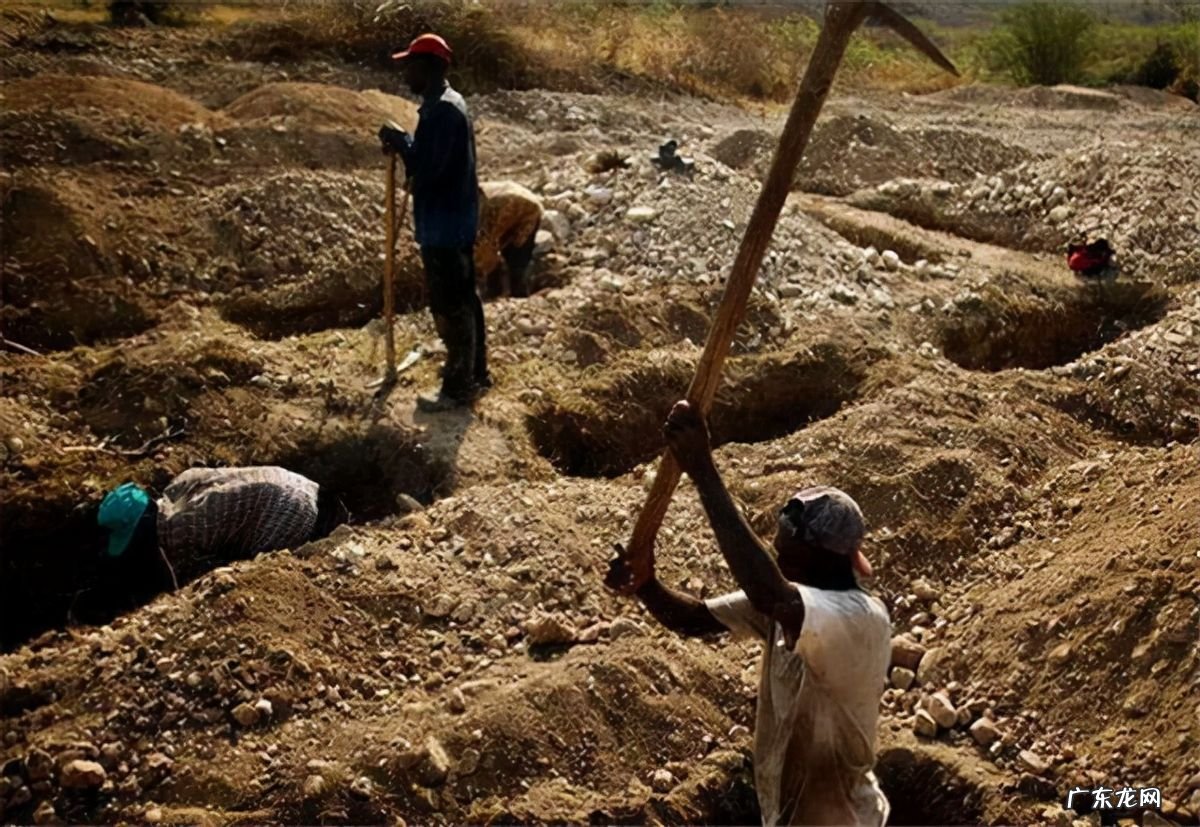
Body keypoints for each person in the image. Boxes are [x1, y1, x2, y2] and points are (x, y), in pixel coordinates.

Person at [606, 401, 892, 827]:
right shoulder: (792, 603)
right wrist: (646, 585)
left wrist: (703, 470)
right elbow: (693, 620)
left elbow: (768, 591)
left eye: (787, 558)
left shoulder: (857, 619)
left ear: (823, 558)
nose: (779, 562)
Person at [378, 33, 487, 412]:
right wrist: (406, 145)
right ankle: (475, 373)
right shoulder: (448, 104)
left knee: (450, 304)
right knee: (465, 298)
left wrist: (401, 142)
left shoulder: (442, 112)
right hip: (455, 219)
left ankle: (458, 388)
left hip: (444, 224)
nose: (405, 73)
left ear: (427, 67)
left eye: (410, 65)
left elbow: (427, 171)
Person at [97, 466, 346, 596]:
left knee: (257, 573)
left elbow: (196, 583)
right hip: (295, 482)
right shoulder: (179, 485)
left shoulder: (178, 532)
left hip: (288, 509)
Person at [475, 180, 544, 299]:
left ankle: (517, 297)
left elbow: (486, 247)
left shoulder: (486, 210)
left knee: (516, 261)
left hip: (527, 212)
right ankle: (495, 292)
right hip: (509, 207)